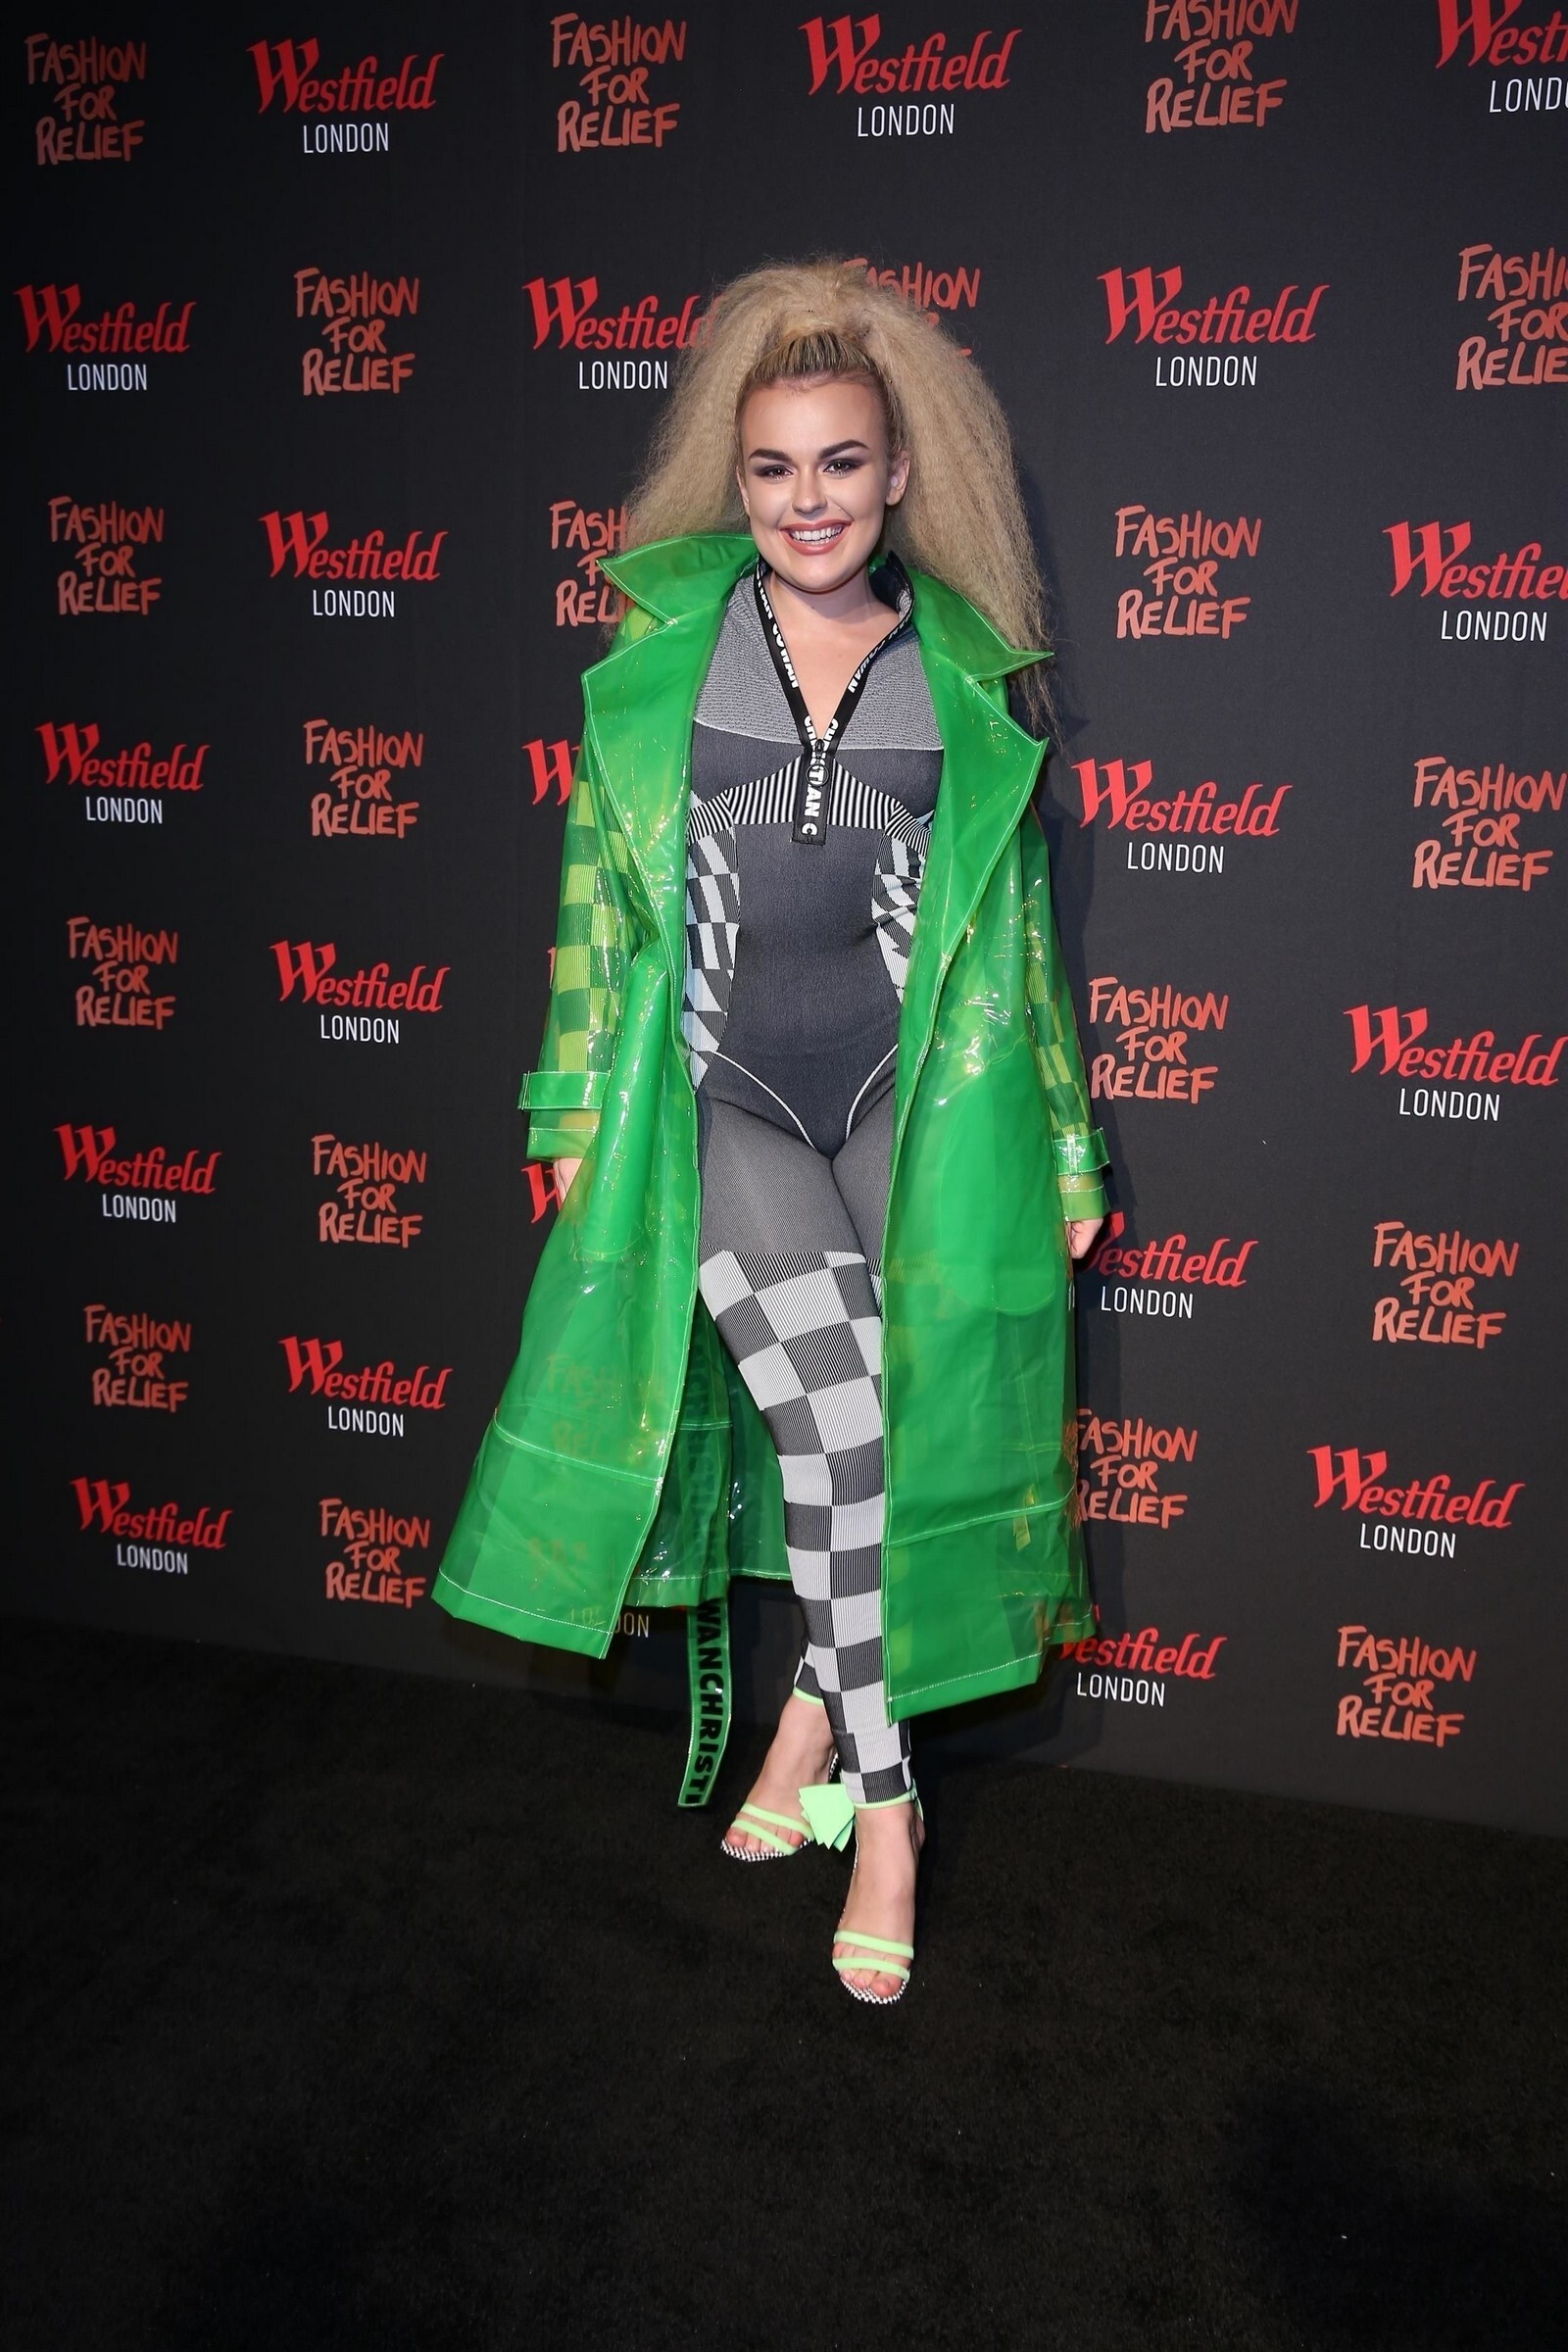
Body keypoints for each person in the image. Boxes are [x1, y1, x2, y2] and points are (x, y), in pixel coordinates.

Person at [433, 261, 1107, 2004]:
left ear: (899, 474)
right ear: (734, 482)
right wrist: (566, 1107)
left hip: (920, 1119)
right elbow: (597, 917)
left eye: (841, 463)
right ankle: (887, 1814)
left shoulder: (967, 680)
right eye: (774, 467)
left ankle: (812, 1707)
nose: (809, 499)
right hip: (726, 1113)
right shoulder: (661, 672)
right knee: (845, 1437)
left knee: (875, 1453)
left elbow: (1018, 951)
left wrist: (1067, 1146)